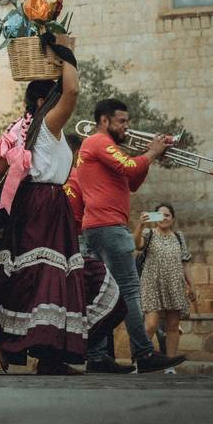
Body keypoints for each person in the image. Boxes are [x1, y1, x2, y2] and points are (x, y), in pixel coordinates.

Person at [0, 35, 128, 375]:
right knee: (52, 274)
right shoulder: (45, 125)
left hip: (26, 205)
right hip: (47, 205)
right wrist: (66, 53)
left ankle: (24, 342)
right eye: (54, 100)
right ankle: (48, 356)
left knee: (33, 273)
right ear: (44, 100)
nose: (64, 107)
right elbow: (71, 91)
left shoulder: (20, 128)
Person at [78, 99, 186, 374]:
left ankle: (97, 356)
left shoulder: (108, 147)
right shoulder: (98, 142)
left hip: (101, 227)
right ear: (105, 121)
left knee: (102, 295)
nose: (127, 127)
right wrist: (152, 152)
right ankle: (144, 353)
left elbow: (133, 181)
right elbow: (130, 168)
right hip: (109, 227)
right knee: (130, 292)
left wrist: (151, 156)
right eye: (122, 121)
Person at [136, 203, 194, 373]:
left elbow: (185, 263)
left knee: (173, 325)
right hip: (152, 282)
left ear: (173, 219)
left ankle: (170, 365)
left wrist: (192, 285)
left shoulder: (178, 236)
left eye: (167, 215)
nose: (164, 218)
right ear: (155, 217)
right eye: (160, 215)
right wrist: (140, 225)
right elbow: (137, 245)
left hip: (174, 284)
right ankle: (141, 361)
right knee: (150, 324)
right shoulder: (149, 233)